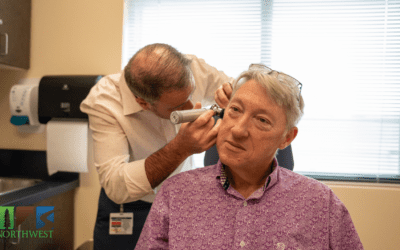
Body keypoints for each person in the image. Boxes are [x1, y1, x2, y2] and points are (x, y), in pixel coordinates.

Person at [134, 64, 364, 249]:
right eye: (235, 110)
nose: (237, 129)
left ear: (287, 138)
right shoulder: (176, 194)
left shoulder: (321, 204)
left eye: (262, 120)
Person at [80, 43, 234, 249]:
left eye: (191, 95)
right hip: (132, 206)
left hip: (182, 201)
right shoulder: (105, 101)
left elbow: (242, 88)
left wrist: (234, 92)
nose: (190, 108)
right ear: (143, 103)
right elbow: (116, 183)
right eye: (178, 106)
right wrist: (181, 149)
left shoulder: (193, 67)